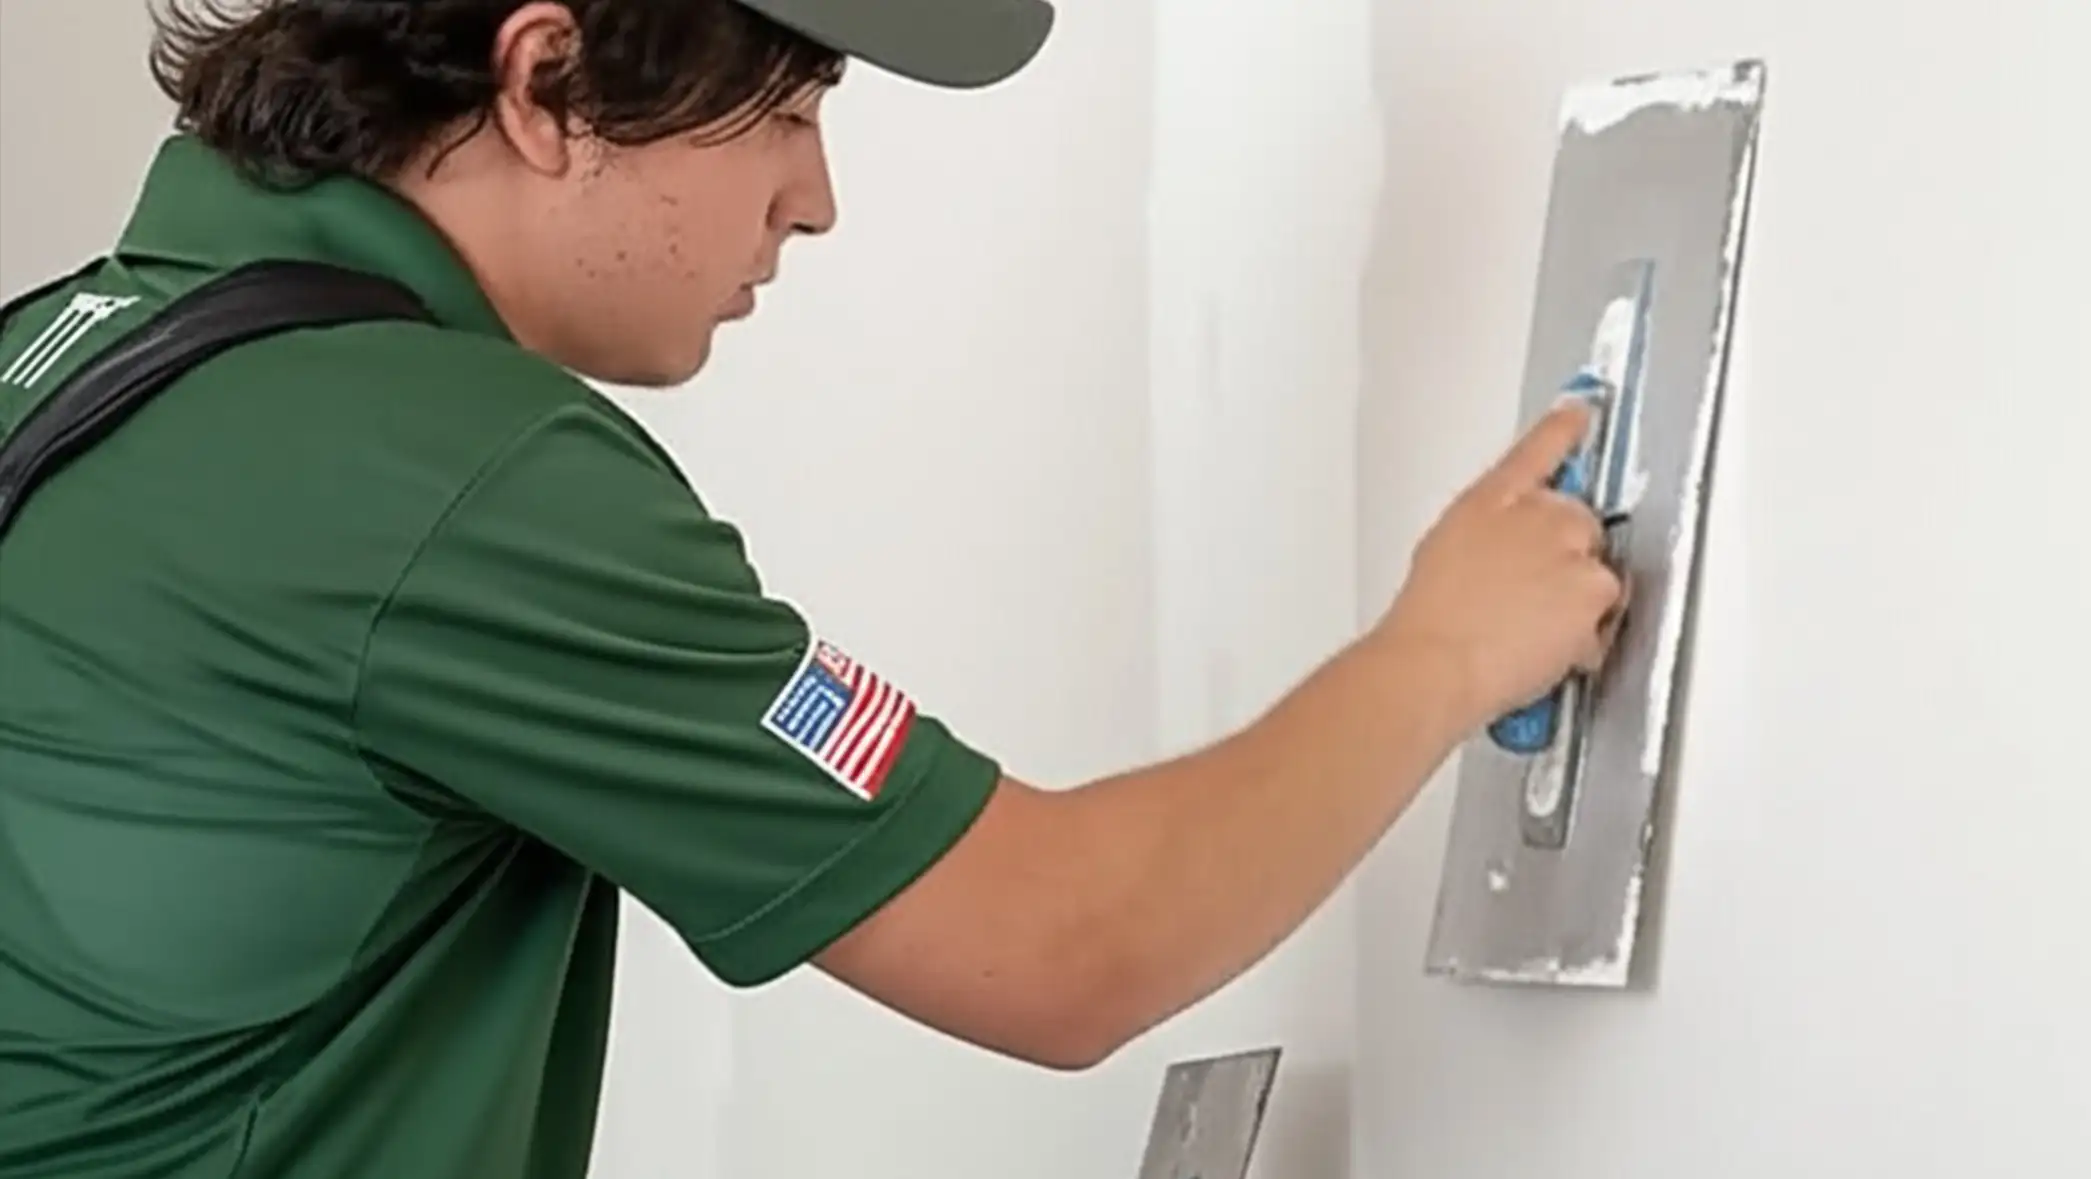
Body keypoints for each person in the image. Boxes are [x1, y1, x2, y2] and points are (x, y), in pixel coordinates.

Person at [0, 1, 1624, 1176]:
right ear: (545, 76)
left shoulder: (58, 354)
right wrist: (1441, 650)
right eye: (787, 105)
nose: (814, 194)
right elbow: (1065, 946)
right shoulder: (449, 478)